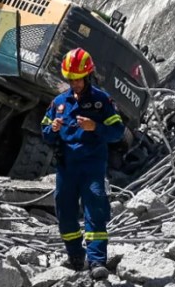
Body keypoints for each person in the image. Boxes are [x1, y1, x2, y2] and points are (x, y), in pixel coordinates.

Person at [41, 48, 124, 280]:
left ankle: (97, 261)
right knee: (65, 212)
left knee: (95, 210)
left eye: (77, 79)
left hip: (92, 166)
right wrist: (52, 129)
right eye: (71, 79)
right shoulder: (58, 103)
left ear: (87, 76)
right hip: (66, 167)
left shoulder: (101, 101)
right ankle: (76, 257)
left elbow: (117, 132)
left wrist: (95, 127)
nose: (74, 83)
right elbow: (45, 133)